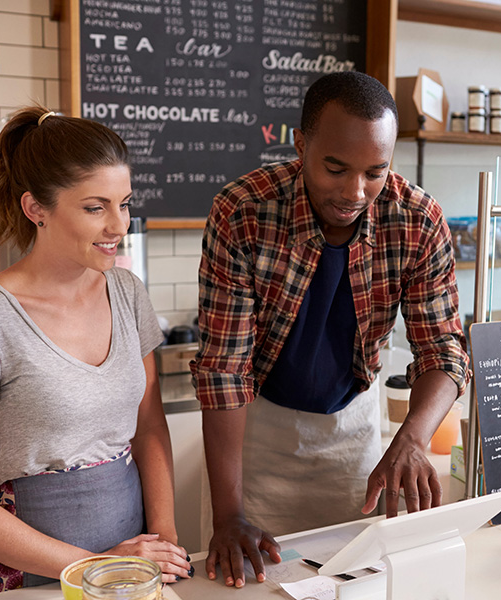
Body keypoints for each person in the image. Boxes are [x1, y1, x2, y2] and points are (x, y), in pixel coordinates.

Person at [191, 71, 469, 588]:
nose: (354, 191)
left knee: (352, 585)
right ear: (301, 144)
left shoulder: (416, 219)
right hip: (257, 436)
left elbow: (443, 350)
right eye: (335, 168)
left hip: (354, 436)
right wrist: (228, 515)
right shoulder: (244, 210)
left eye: (375, 172)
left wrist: (411, 438)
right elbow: (224, 370)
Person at [0, 107, 191, 594]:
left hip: (132, 559)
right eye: (95, 208)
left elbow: (151, 426)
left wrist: (165, 542)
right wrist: (94, 566)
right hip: (34, 566)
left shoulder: (128, 292)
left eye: (125, 203)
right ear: (36, 209)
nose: (119, 224)